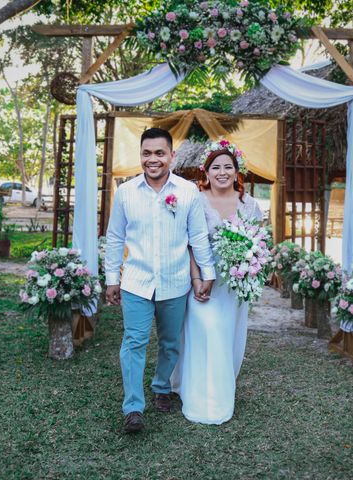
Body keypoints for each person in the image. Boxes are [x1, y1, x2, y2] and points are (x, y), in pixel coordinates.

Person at [104, 128, 216, 433]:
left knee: (169, 343)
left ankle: (161, 385)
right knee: (134, 341)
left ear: (171, 156)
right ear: (140, 155)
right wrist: (112, 277)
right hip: (136, 282)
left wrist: (207, 274)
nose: (152, 159)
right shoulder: (126, 192)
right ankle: (133, 407)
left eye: (159, 153)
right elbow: (115, 237)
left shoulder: (187, 191)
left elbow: (198, 237)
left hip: (176, 281)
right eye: (146, 153)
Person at [172, 140, 263, 425]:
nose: (222, 172)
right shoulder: (196, 200)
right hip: (200, 276)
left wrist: (251, 267)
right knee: (205, 330)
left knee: (227, 335)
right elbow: (187, 243)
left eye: (228, 167)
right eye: (216, 167)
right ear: (206, 172)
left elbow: (259, 242)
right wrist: (197, 277)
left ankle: (223, 384)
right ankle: (204, 398)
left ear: (237, 172)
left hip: (234, 282)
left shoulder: (250, 205)